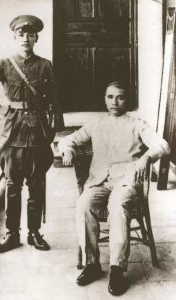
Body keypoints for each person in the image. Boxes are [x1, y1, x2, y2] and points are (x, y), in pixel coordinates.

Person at [58, 81, 170, 296]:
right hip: (99, 181)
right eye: (110, 97)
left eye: (120, 97)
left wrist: (146, 157)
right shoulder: (96, 123)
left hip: (126, 182)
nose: (114, 102)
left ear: (127, 100)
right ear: (105, 99)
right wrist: (68, 150)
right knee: (83, 204)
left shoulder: (137, 124)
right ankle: (92, 264)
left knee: (118, 206)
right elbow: (68, 139)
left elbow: (163, 145)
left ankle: (117, 269)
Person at [0, 15, 63, 253]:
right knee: (12, 186)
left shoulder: (45, 65)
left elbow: (54, 99)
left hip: (39, 131)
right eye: (21, 35)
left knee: (37, 184)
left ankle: (34, 233)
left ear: (36, 38)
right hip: (12, 133)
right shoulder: (5, 64)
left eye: (30, 35)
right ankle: (12, 234)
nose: (25, 39)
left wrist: (53, 131)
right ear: (14, 37)